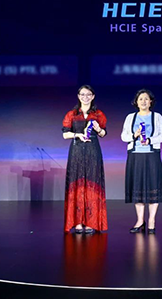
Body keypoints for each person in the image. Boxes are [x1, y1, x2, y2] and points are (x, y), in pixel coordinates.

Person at [62, 85, 108, 234]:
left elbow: (103, 133)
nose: (85, 97)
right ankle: (77, 222)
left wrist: (98, 129)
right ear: (78, 96)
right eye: (82, 94)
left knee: (92, 184)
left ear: (93, 96)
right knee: (77, 184)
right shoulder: (72, 114)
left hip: (93, 151)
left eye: (88, 94)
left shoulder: (98, 114)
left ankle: (91, 222)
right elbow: (65, 134)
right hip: (76, 151)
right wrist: (78, 135)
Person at [121, 89, 162, 234]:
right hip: (135, 155)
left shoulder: (157, 117)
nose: (143, 101)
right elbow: (123, 136)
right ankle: (140, 220)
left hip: (152, 155)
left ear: (151, 102)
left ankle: (152, 220)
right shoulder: (130, 117)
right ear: (136, 102)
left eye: (146, 99)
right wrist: (134, 135)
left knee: (153, 187)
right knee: (138, 188)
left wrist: (150, 140)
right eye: (140, 99)